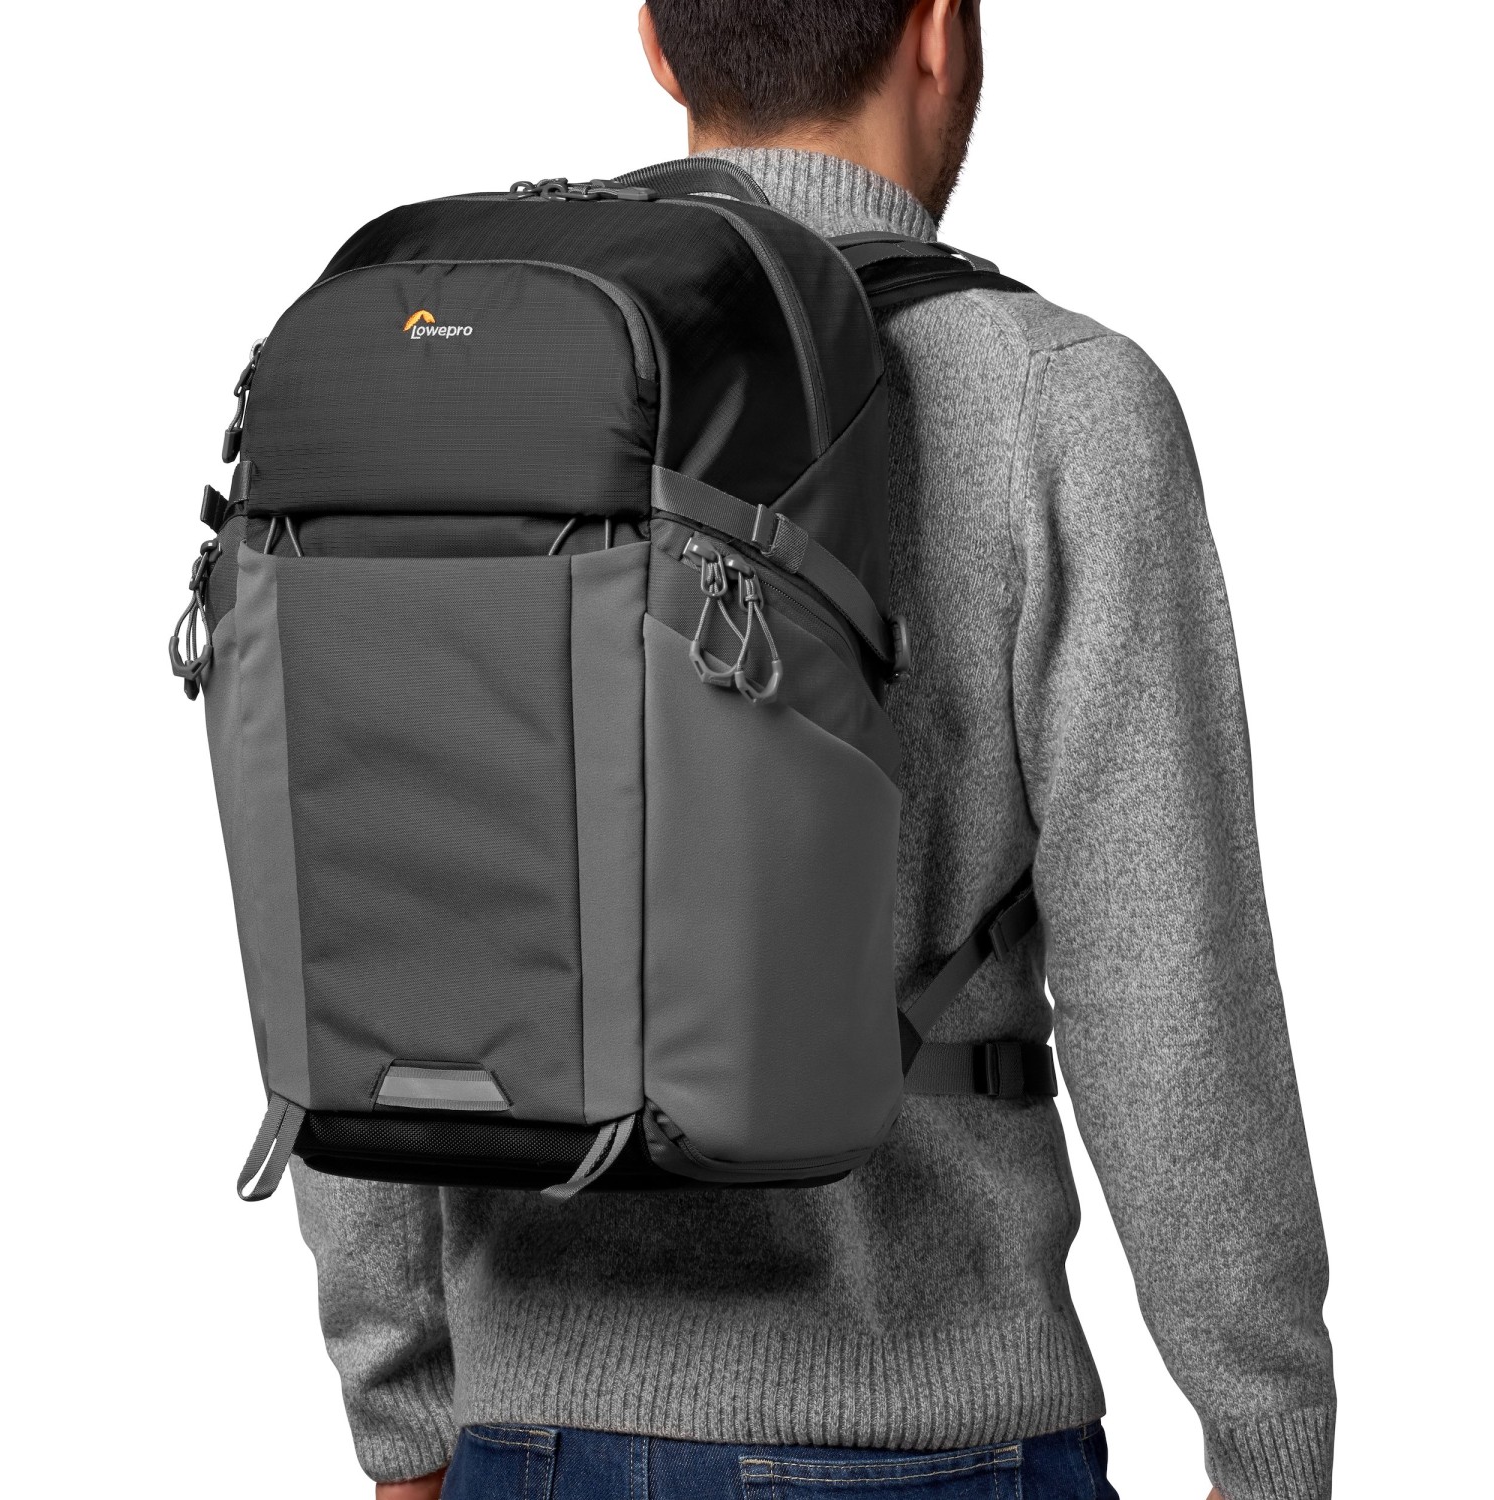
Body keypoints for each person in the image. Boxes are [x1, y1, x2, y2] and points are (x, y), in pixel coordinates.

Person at [292, 2, 1335, 1495]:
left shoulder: (462, 366)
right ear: (938, 31)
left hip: (527, 1436)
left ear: (658, 44)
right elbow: (1172, 988)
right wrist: (1268, 1432)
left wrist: (401, 1406)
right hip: (931, 1439)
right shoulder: (1057, 402)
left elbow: (374, 901)